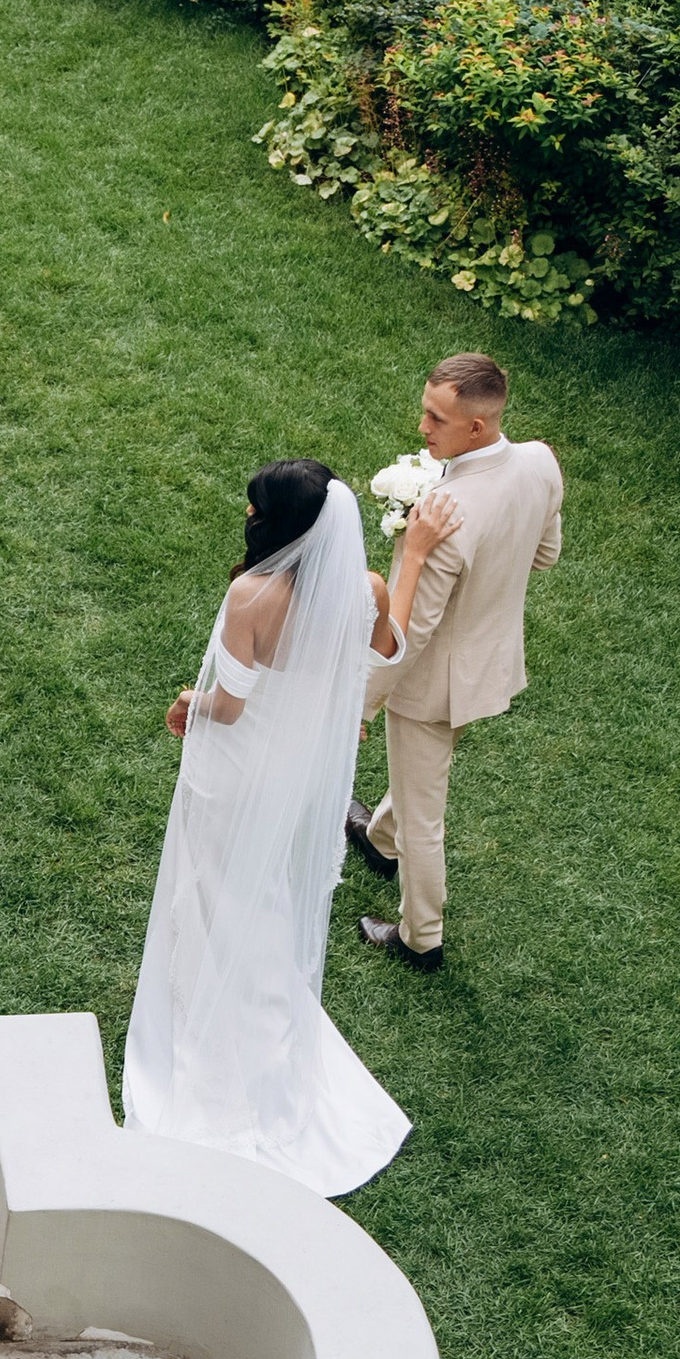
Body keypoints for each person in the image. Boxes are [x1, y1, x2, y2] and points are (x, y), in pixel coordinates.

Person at [123, 456, 460, 1199]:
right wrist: (413, 558)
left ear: (280, 523)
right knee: (267, 895)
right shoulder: (363, 589)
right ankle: (268, 1034)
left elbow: (231, 705)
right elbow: (388, 645)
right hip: (303, 775)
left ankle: (208, 1030)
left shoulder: (251, 594)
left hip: (236, 770)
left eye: (253, 507)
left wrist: (188, 700)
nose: (247, 515)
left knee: (211, 890)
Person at [349, 351, 564, 973]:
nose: (422, 427)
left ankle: (422, 937)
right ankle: (379, 839)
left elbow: (407, 633)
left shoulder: (442, 520)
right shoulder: (541, 461)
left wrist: (360, 701)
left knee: (425, 814)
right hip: (489, 663)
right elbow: (544, 556)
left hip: (432, 685)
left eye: (436, 418)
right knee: (422, 779)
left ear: (476, 426)